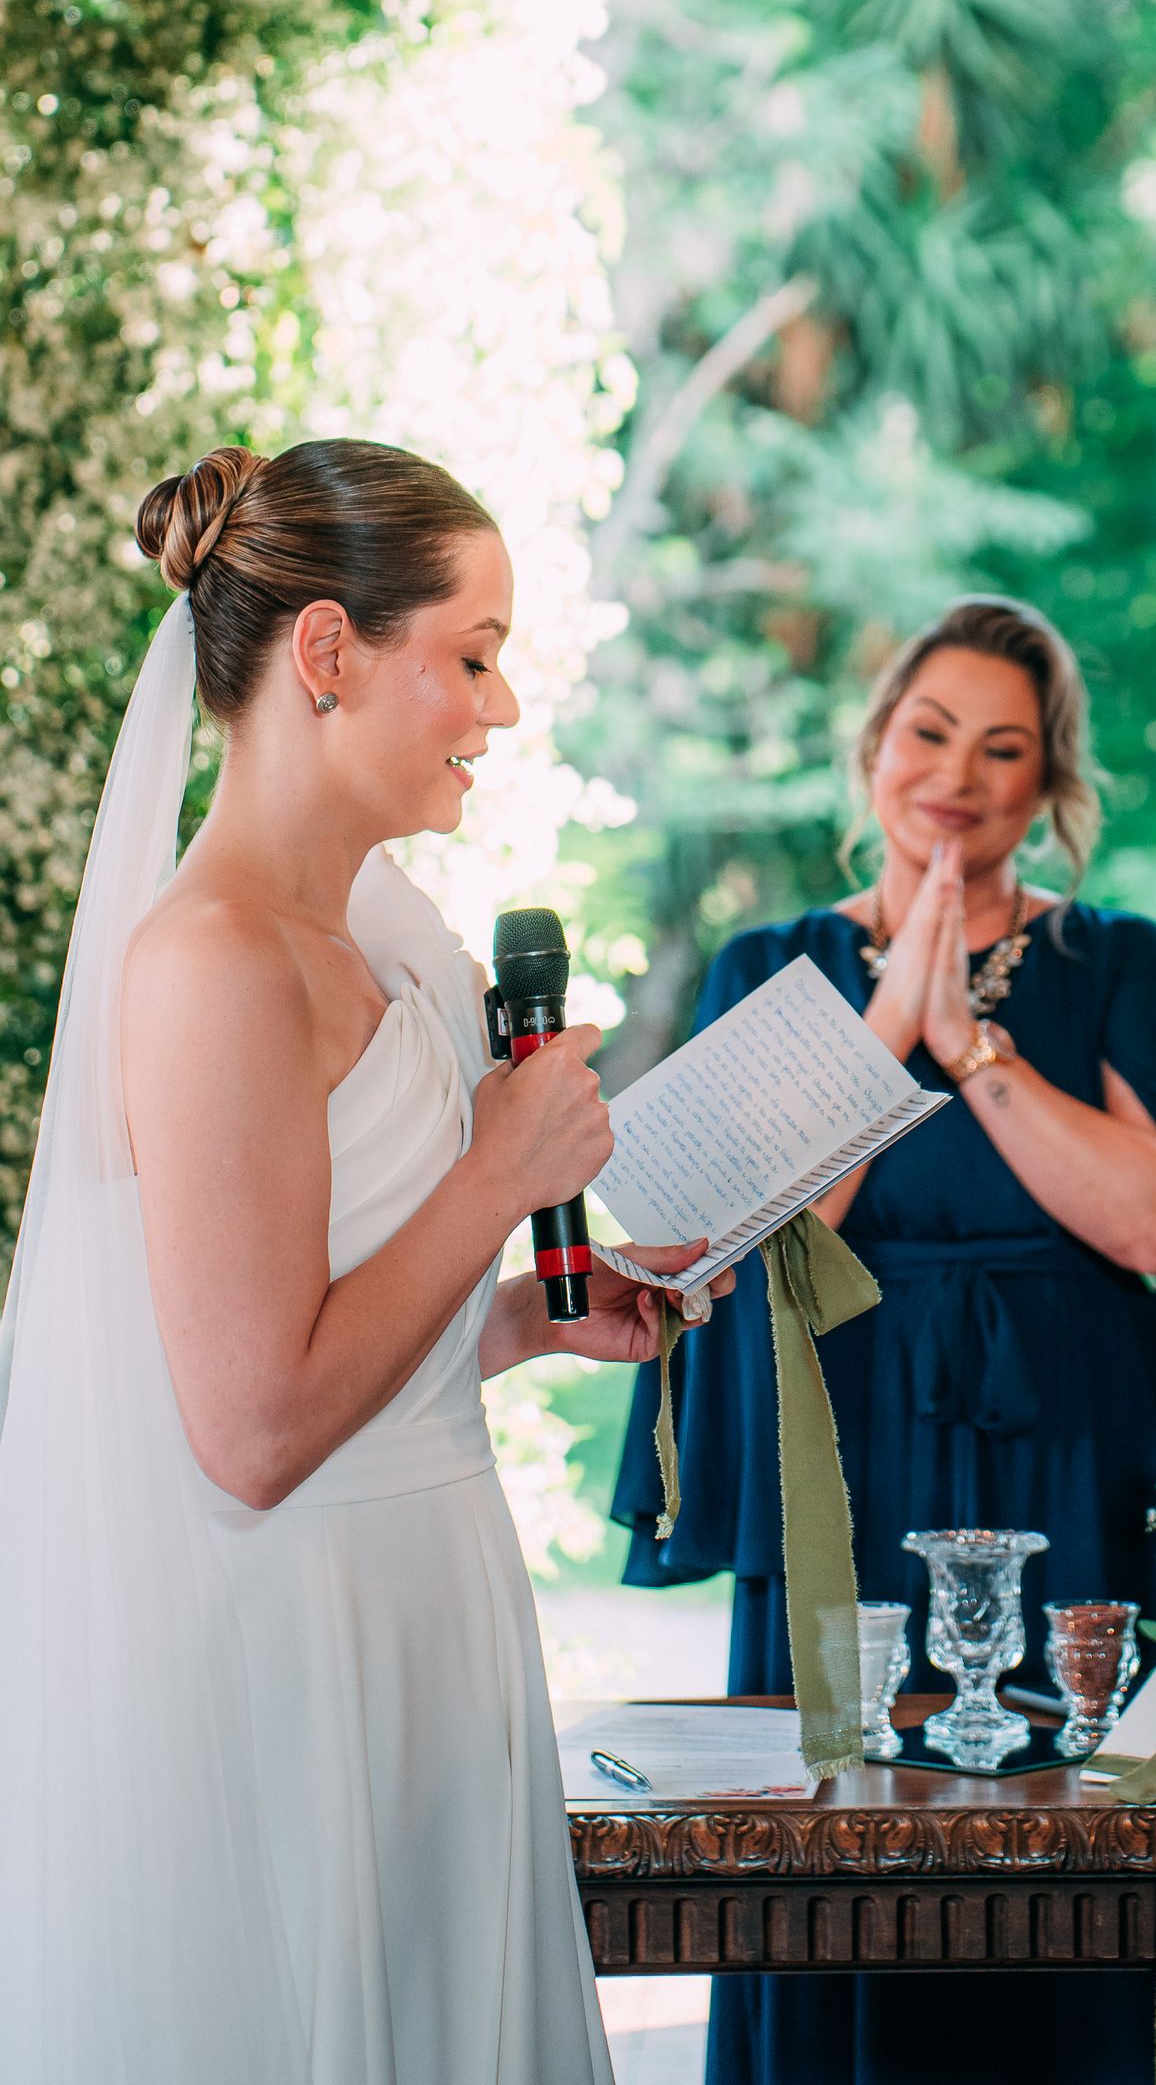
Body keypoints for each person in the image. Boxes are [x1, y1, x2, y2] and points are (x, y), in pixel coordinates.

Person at [0, 439, 724, 2085]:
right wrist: (494, 1180)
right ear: (327, 655)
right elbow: (251, 1433)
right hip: (296, 1653)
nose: (503, 710)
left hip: (432, 1613)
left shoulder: (378, 936)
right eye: (471, 658)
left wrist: (525, 1324)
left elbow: (324, 1324)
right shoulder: (208, 965)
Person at [612, 592, 1156, 2085]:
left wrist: (967, 1033)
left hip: (1076, 1466)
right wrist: (886, 1023)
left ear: (1049, 790)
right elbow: (753, 1233)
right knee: (842, 1861)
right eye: (927, 732)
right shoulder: (765, 965)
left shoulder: (1127, 963)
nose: (955, 777)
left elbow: (1154, 1226)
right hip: (846, 1453)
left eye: (1003, 749)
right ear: (870, 748)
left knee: (1082, 1854)